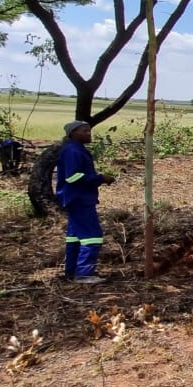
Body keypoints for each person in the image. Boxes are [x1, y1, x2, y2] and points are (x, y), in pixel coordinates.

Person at [55, 121, 115, 283]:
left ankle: (71, 271)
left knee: (74, 237)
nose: (89, 134)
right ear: (73, 133)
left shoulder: (76, 149)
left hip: (75, 197)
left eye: (89, 131)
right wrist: (100, 178)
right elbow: (72, 177)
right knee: (92, 236)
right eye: (84, 131)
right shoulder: (73, 151)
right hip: (78, 197)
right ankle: (84, 273)